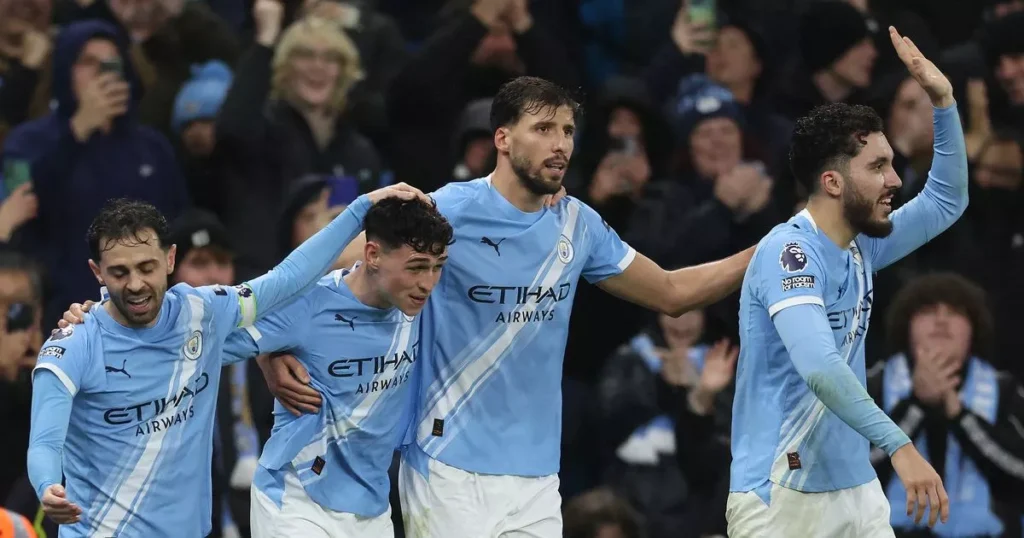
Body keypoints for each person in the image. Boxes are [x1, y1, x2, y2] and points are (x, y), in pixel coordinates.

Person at [266, 75, 755, 537]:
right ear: (502, 138)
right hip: (447, 466)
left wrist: (767, 250)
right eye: (543, 129)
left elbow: (672, 293)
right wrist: (272, 345)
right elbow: (323, 264)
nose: (560, 144)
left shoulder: (578, 225)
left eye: (567, 131)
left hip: (537, 477)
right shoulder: (447, 211)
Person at [26, 184, 427, 537]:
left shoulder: (202, 313)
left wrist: (360, 209)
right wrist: (47, 486)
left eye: (146, 268)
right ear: (97, 272)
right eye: (119, 272)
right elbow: (45, 441)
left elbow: (286, 281)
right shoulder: (74, 344)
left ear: (169, 259)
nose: (135, 284)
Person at [727, 28, 968, 537]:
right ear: (833, 182)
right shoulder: (789, 253)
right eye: (878, 167)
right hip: (781, 496)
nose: (895, 180)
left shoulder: (863, 246)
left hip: (858, 490)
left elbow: (946, 200)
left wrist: (944, 102)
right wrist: (900, 446)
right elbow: (819, 365)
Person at [223, 197, 452, 537]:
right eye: (417, 267)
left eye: (437, 266)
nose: (428, 282)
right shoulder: (309, 304)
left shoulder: (422, 307)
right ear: (372, 255)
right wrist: (265, 354)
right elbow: (212, 340)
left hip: (373, 507)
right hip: (296, 500)